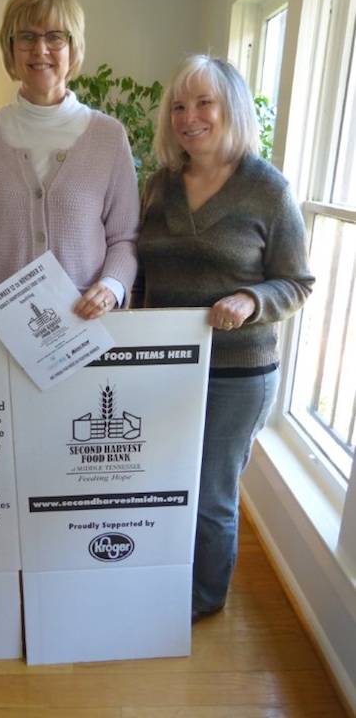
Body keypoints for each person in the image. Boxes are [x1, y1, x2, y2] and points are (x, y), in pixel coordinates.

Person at [131, 54, 314, 623]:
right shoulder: (157, 186)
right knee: (161, 484)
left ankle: (202, 599)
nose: (189, 117)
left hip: (237, 374)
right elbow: (141, 274)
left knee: (211, 495)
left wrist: (252, 300)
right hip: (164, 365)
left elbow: (298, 282)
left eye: (203, 102)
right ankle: (157, 572)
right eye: (179, 107)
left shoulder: (269, 191)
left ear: (230, 106)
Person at [0, 0, 138, 320]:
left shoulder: (109, 137)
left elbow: (125, 239)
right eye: (26, 36)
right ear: (10, 47)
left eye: (55, 36)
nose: (40, 49)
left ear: (73, 47)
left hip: (82, 324)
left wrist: (113, 286)